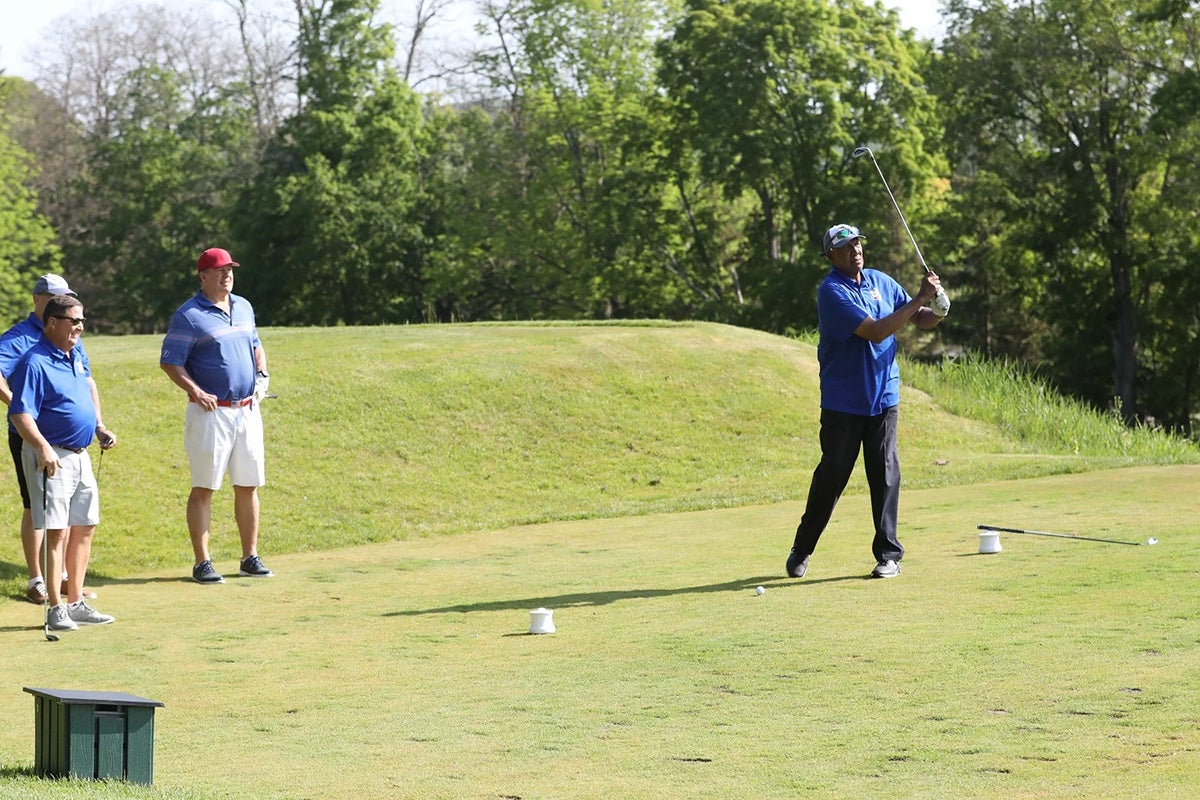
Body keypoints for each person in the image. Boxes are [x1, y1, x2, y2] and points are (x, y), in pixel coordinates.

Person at [785, 223, 948, 580]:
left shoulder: (880, 280)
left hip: (884, 396)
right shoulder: (831, 292)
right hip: (844, 401)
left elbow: (918, 319)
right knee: (833, 476)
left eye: (858, 244)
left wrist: (936, 308)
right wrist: (921, 298)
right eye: (846, 247)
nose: (856, 250)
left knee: (886, 473)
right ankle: (803, 547)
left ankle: (889, 555)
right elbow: (875, 331)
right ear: (831, 255)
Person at [159, 247, 273, 584]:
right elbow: (170, 361)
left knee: (248, 484)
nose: (227, 275)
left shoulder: (244, 306)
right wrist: (194, 390)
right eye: (219, 270)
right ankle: (202, 562)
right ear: (203, 276)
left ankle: (249, 556)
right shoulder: (189, 315)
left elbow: (255, 344)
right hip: (211, 413)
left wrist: (262, 375)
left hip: (247, 409)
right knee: (204, 488)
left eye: (230, 269)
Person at [0, 274, 114, 605]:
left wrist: (98, 424)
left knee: (75, 520)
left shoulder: (71, 340)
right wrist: (23, 405)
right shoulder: (20, 339)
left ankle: (65, 583)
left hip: (73, 445)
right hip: (36, 440)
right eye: (54, 297)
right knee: (37, 509)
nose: (76, 323)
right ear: (38, 300)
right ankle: (38, 579)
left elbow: (86, 383)